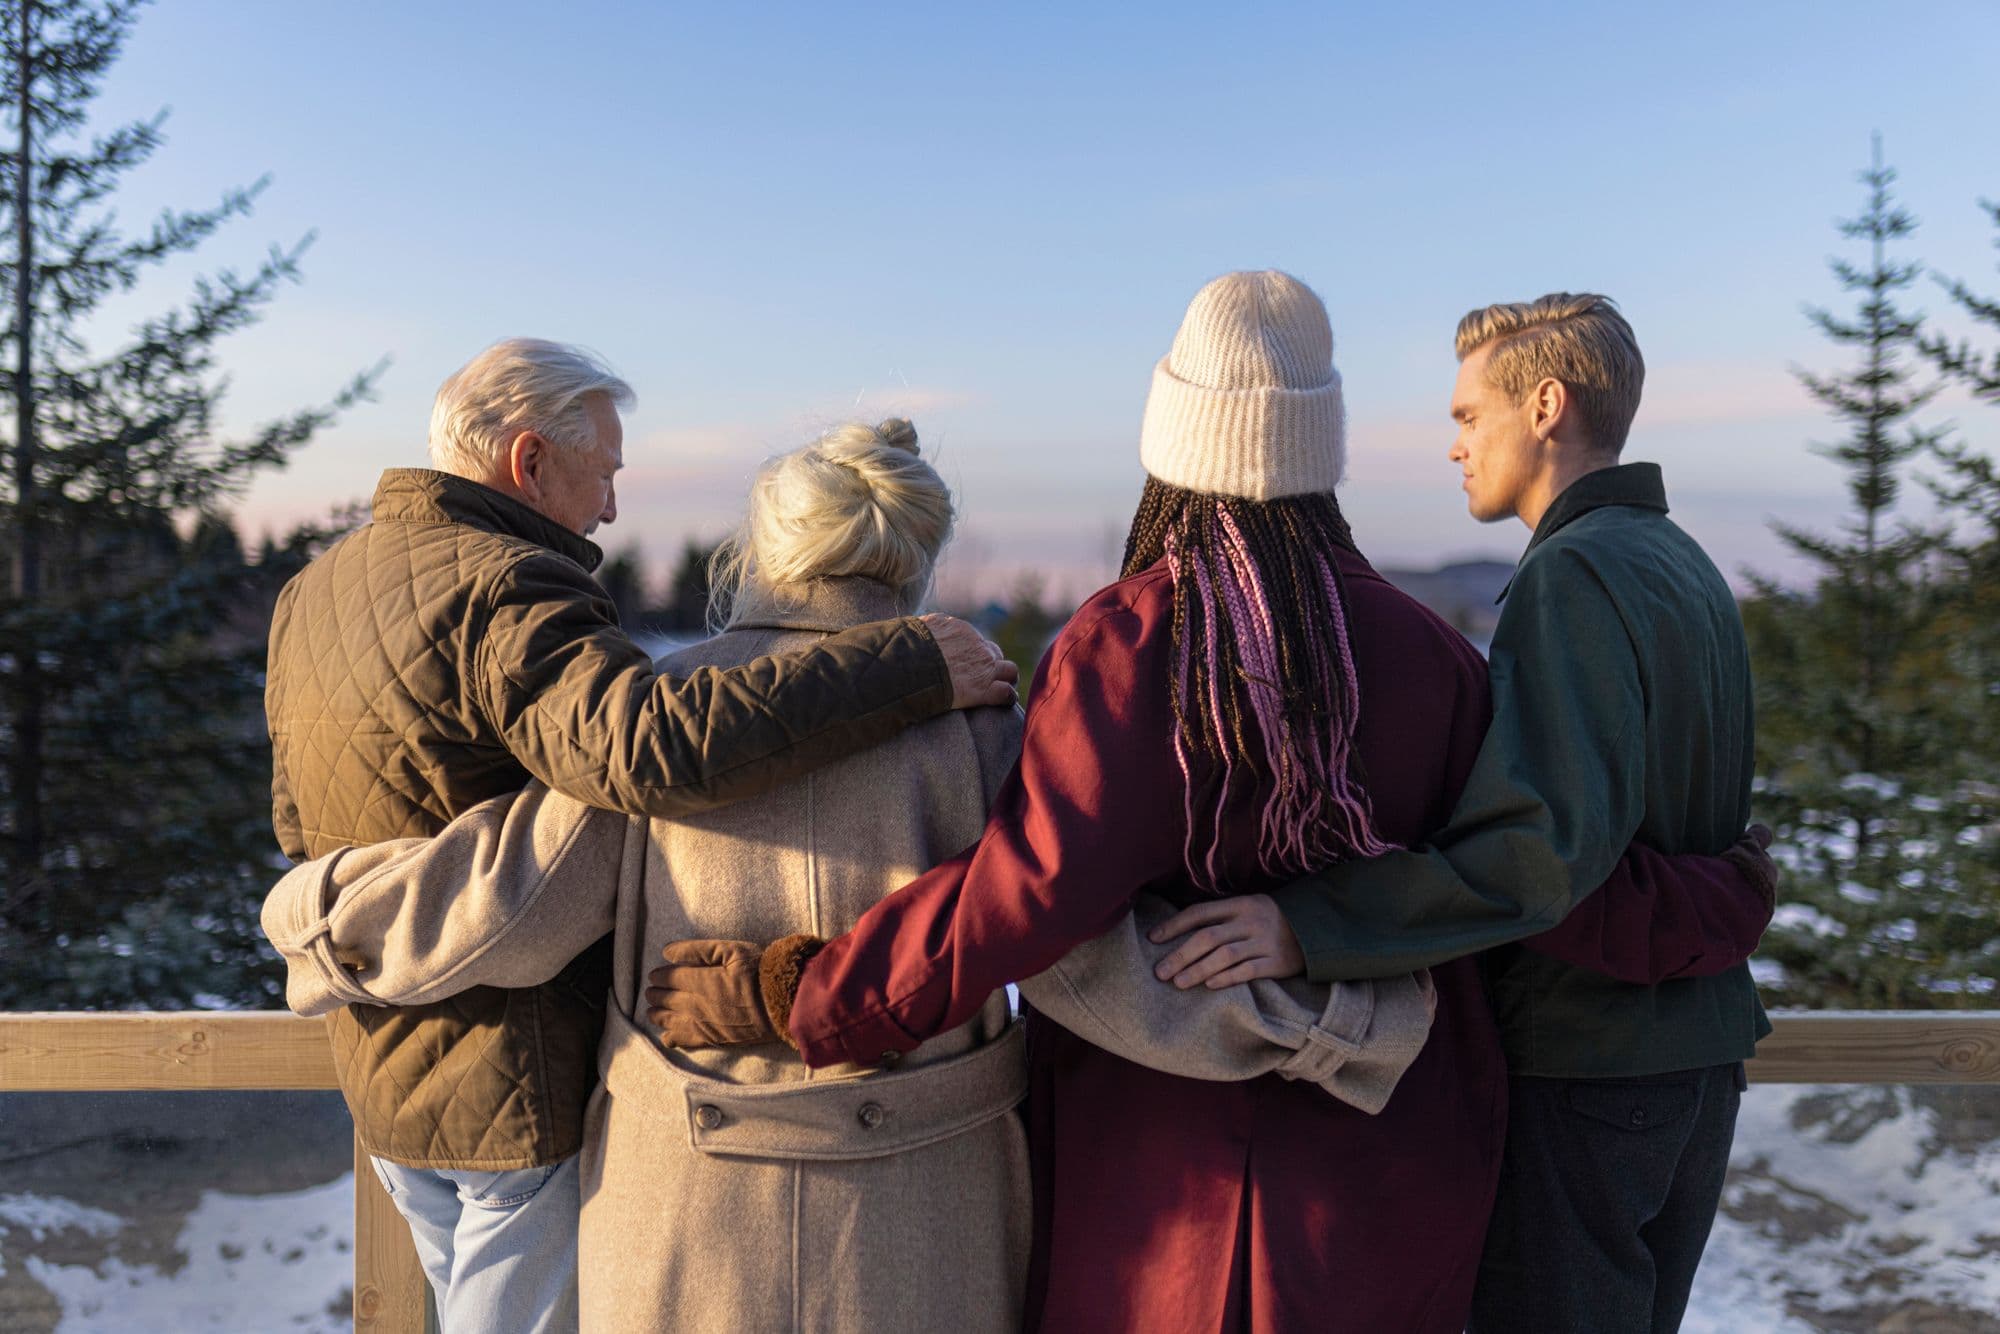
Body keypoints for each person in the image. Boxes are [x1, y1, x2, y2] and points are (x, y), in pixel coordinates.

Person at [649, 274, 1776, 1332]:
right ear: (1316, 447)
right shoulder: (1434, 657)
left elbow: (1025, 891)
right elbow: (1524, 881)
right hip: (1396, 1170)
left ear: (1175, 442)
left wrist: (811, 995)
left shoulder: (1134, 644)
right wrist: (1717, 898)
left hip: (1166, 1193)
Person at [263, 417, 1400, 1333]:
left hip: (682, 1217)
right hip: (923, 1213)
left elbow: (502, 901)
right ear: (912, 551)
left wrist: (313, 915)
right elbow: (1085, 958)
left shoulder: (673, 713)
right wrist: (1340, 1018)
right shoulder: (981, 723)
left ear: (764, 545)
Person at [262, 344, 1016, 1333]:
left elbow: (298, 822)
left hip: (396, 1071)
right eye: (605, 473)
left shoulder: (310, 593)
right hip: (520, 1078)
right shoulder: (510, 588)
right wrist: (902, 665)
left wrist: (321, 921)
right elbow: (642, 754)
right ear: (529, 460)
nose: (611, 509)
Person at [1154, 294, 1767, 1333]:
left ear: (1543, 405)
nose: (1452, 446)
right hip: (1697, 1060)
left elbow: (1538, 852)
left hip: (1591, 1059)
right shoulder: (1683, 563)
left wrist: (1309, 923)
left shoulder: (1570, 572)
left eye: (1466, 416)